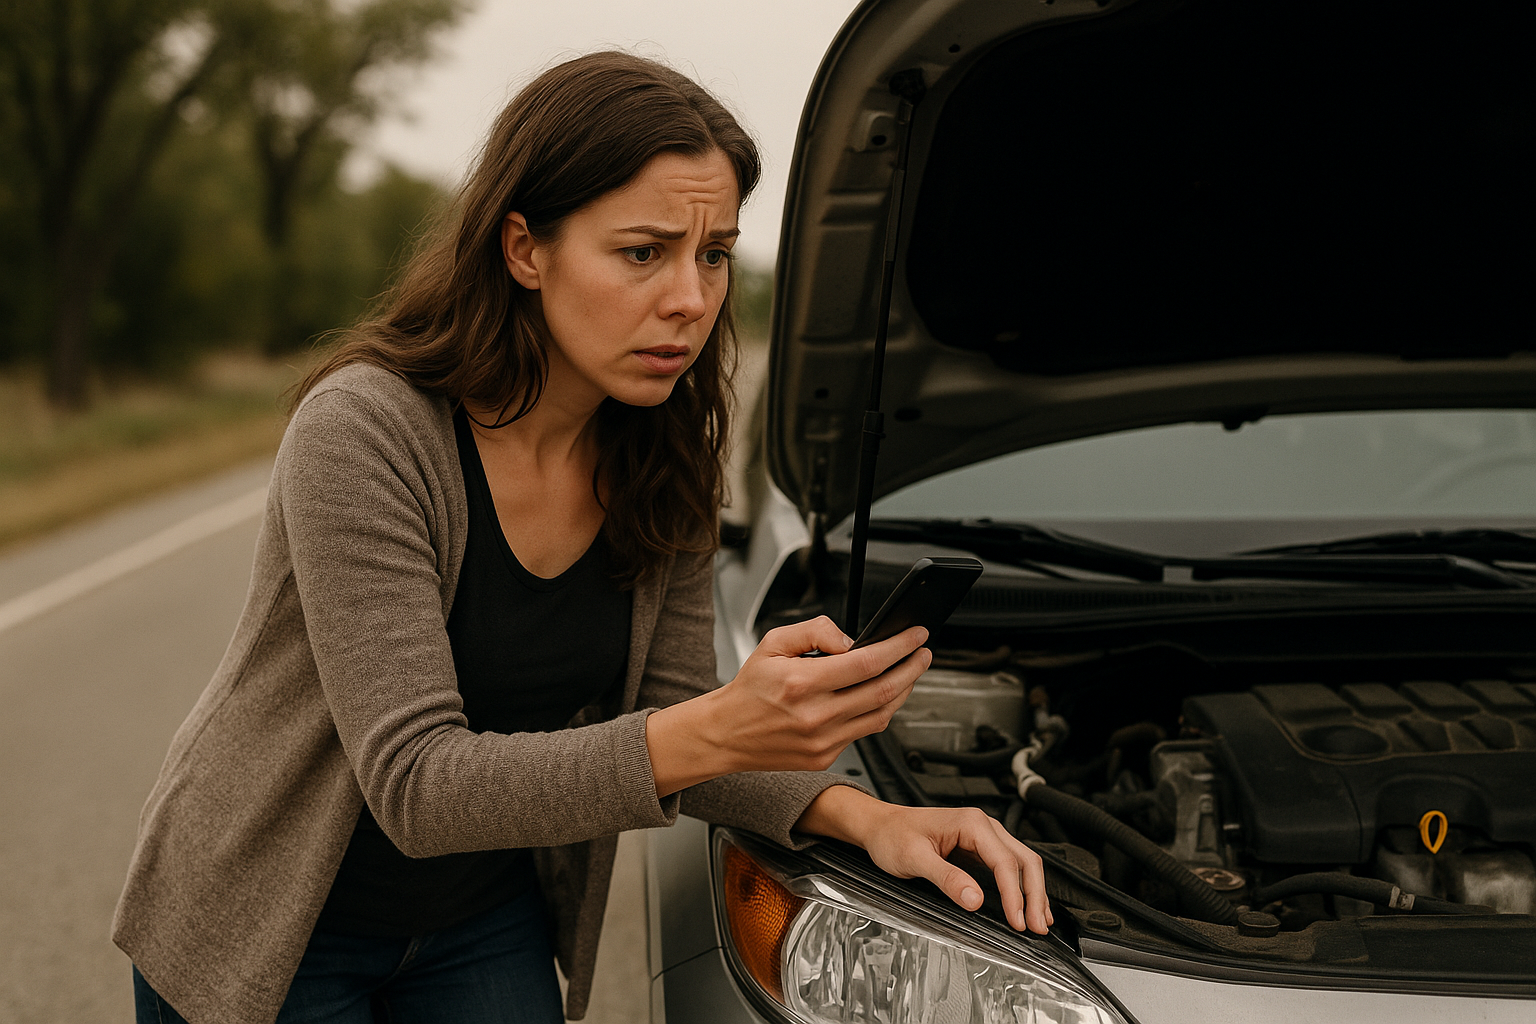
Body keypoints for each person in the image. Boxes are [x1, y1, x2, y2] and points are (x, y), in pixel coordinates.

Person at [114, 51, 1049, 1024]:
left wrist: (868, 817)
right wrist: (723, 725)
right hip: (273, 924)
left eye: (715, 254)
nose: (691, 298)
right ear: (525, 250)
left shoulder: (667, 451)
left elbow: (673, 706)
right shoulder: (366, 431)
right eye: (643, 253)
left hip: (478, 913)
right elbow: (418, 784)